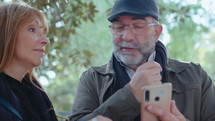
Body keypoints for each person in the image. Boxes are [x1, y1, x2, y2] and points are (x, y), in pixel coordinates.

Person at [69, 0, 215, 121]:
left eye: (138, 26)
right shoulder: (93, 79)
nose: (126, 36)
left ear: (156, 32)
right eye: (119, 27)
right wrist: (130, 94)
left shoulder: (195, 76)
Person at [0, 2, 58, 121]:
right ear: (6, 34)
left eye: (43, 33)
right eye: (32, 29)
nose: (46, 41)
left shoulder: (38, 95)